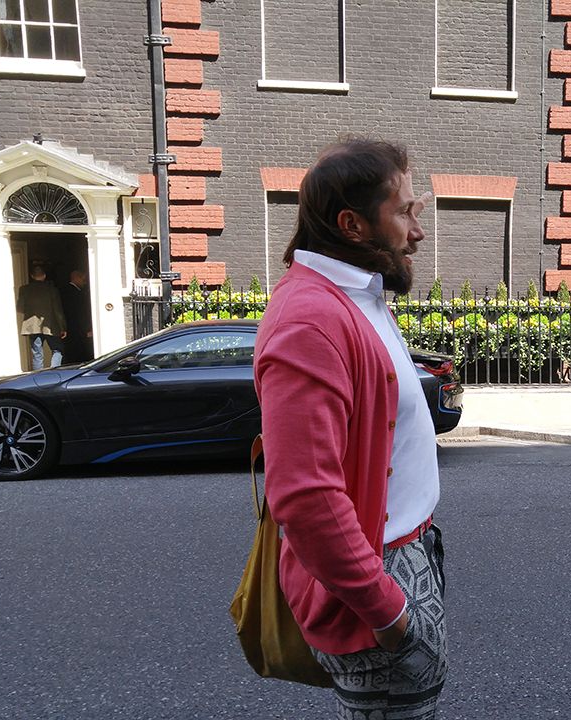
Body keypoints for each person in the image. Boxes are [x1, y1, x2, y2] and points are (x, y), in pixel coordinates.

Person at [253, 138, 446, 719]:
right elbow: (306, 498)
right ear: (352, 225)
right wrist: (387, 611)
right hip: (377, 584)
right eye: (405, 212)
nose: (418, 231)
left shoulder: (356, 293)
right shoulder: (309, 321)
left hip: (406, 553)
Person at [17, 264, 67, 370]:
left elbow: (20, 308)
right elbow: (58, 310)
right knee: (57, 350)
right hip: (51, 325)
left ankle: (39, 376)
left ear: (32, 276)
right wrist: (62, 327)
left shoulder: (24, 289)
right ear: (44, 275)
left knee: (37, 354)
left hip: (32, 326)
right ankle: (54, 371)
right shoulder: (52, 290)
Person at [60, 269, 93, 363]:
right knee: (79, 353)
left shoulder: (64, 291)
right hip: (78, 329)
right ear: (76, 278)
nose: (85, 282)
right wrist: (86, 330)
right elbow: (80, 313)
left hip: (70, 328)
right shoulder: (76, 294)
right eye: (83, 279)